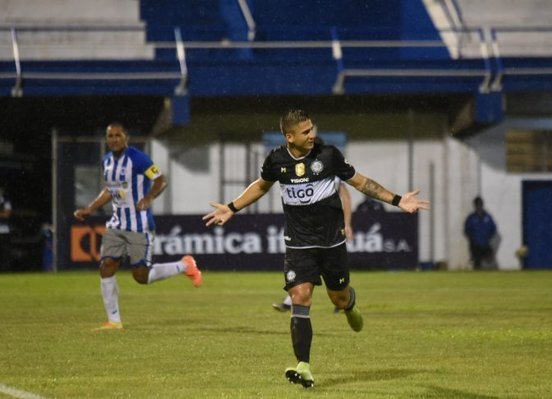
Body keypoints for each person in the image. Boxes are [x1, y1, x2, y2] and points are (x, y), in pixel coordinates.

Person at [203, 109, 429, 388]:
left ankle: (350, 303)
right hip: (298, 244)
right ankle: (304, 366)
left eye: (312, 129)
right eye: (306, 131)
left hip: (331, 242)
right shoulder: (276, 160)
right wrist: (232, 207)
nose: (313, 135)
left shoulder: (328, 155)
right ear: (290, 137)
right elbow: (261, 186)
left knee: (339, 299)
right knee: (300, 297)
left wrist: (397, 200)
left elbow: (360, 182)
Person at [74, 123, 202, 330]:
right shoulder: (106, 161)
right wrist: (91, 208)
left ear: (126, 137)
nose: (114, 139)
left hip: (139, 224)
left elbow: (161, 180)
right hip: (117, 224)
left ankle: (185, 265)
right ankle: (114, 321)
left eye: (118, 135)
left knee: (141, 276)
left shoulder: (137, 158)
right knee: (106, 266)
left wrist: (149, 197)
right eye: (110, 136)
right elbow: (110, 190)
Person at [272, 179, 354, 312]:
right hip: (306, 234)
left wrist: (347, 223)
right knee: (305, 270)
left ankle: (342, 298)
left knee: (333, 274)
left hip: (331, 233)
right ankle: (292, 300)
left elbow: (346, 198)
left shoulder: (333, 172)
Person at [463, 196, 498, 270]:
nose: (479, 206)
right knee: (477, 263)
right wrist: (472, 238)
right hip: (475, 245)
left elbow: (493, 228)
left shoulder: (487, 217)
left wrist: (488, 237)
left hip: (485, 244)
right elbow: (466, 230)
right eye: (477, 204)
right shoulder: (471, 218)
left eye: (480, 204)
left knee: (490, 260)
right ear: (475, 205)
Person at [0, 187, 12, 270]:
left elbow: (7, 214)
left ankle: (5, 270)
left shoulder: (5, 202)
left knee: (4, 252)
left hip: (4, 230)